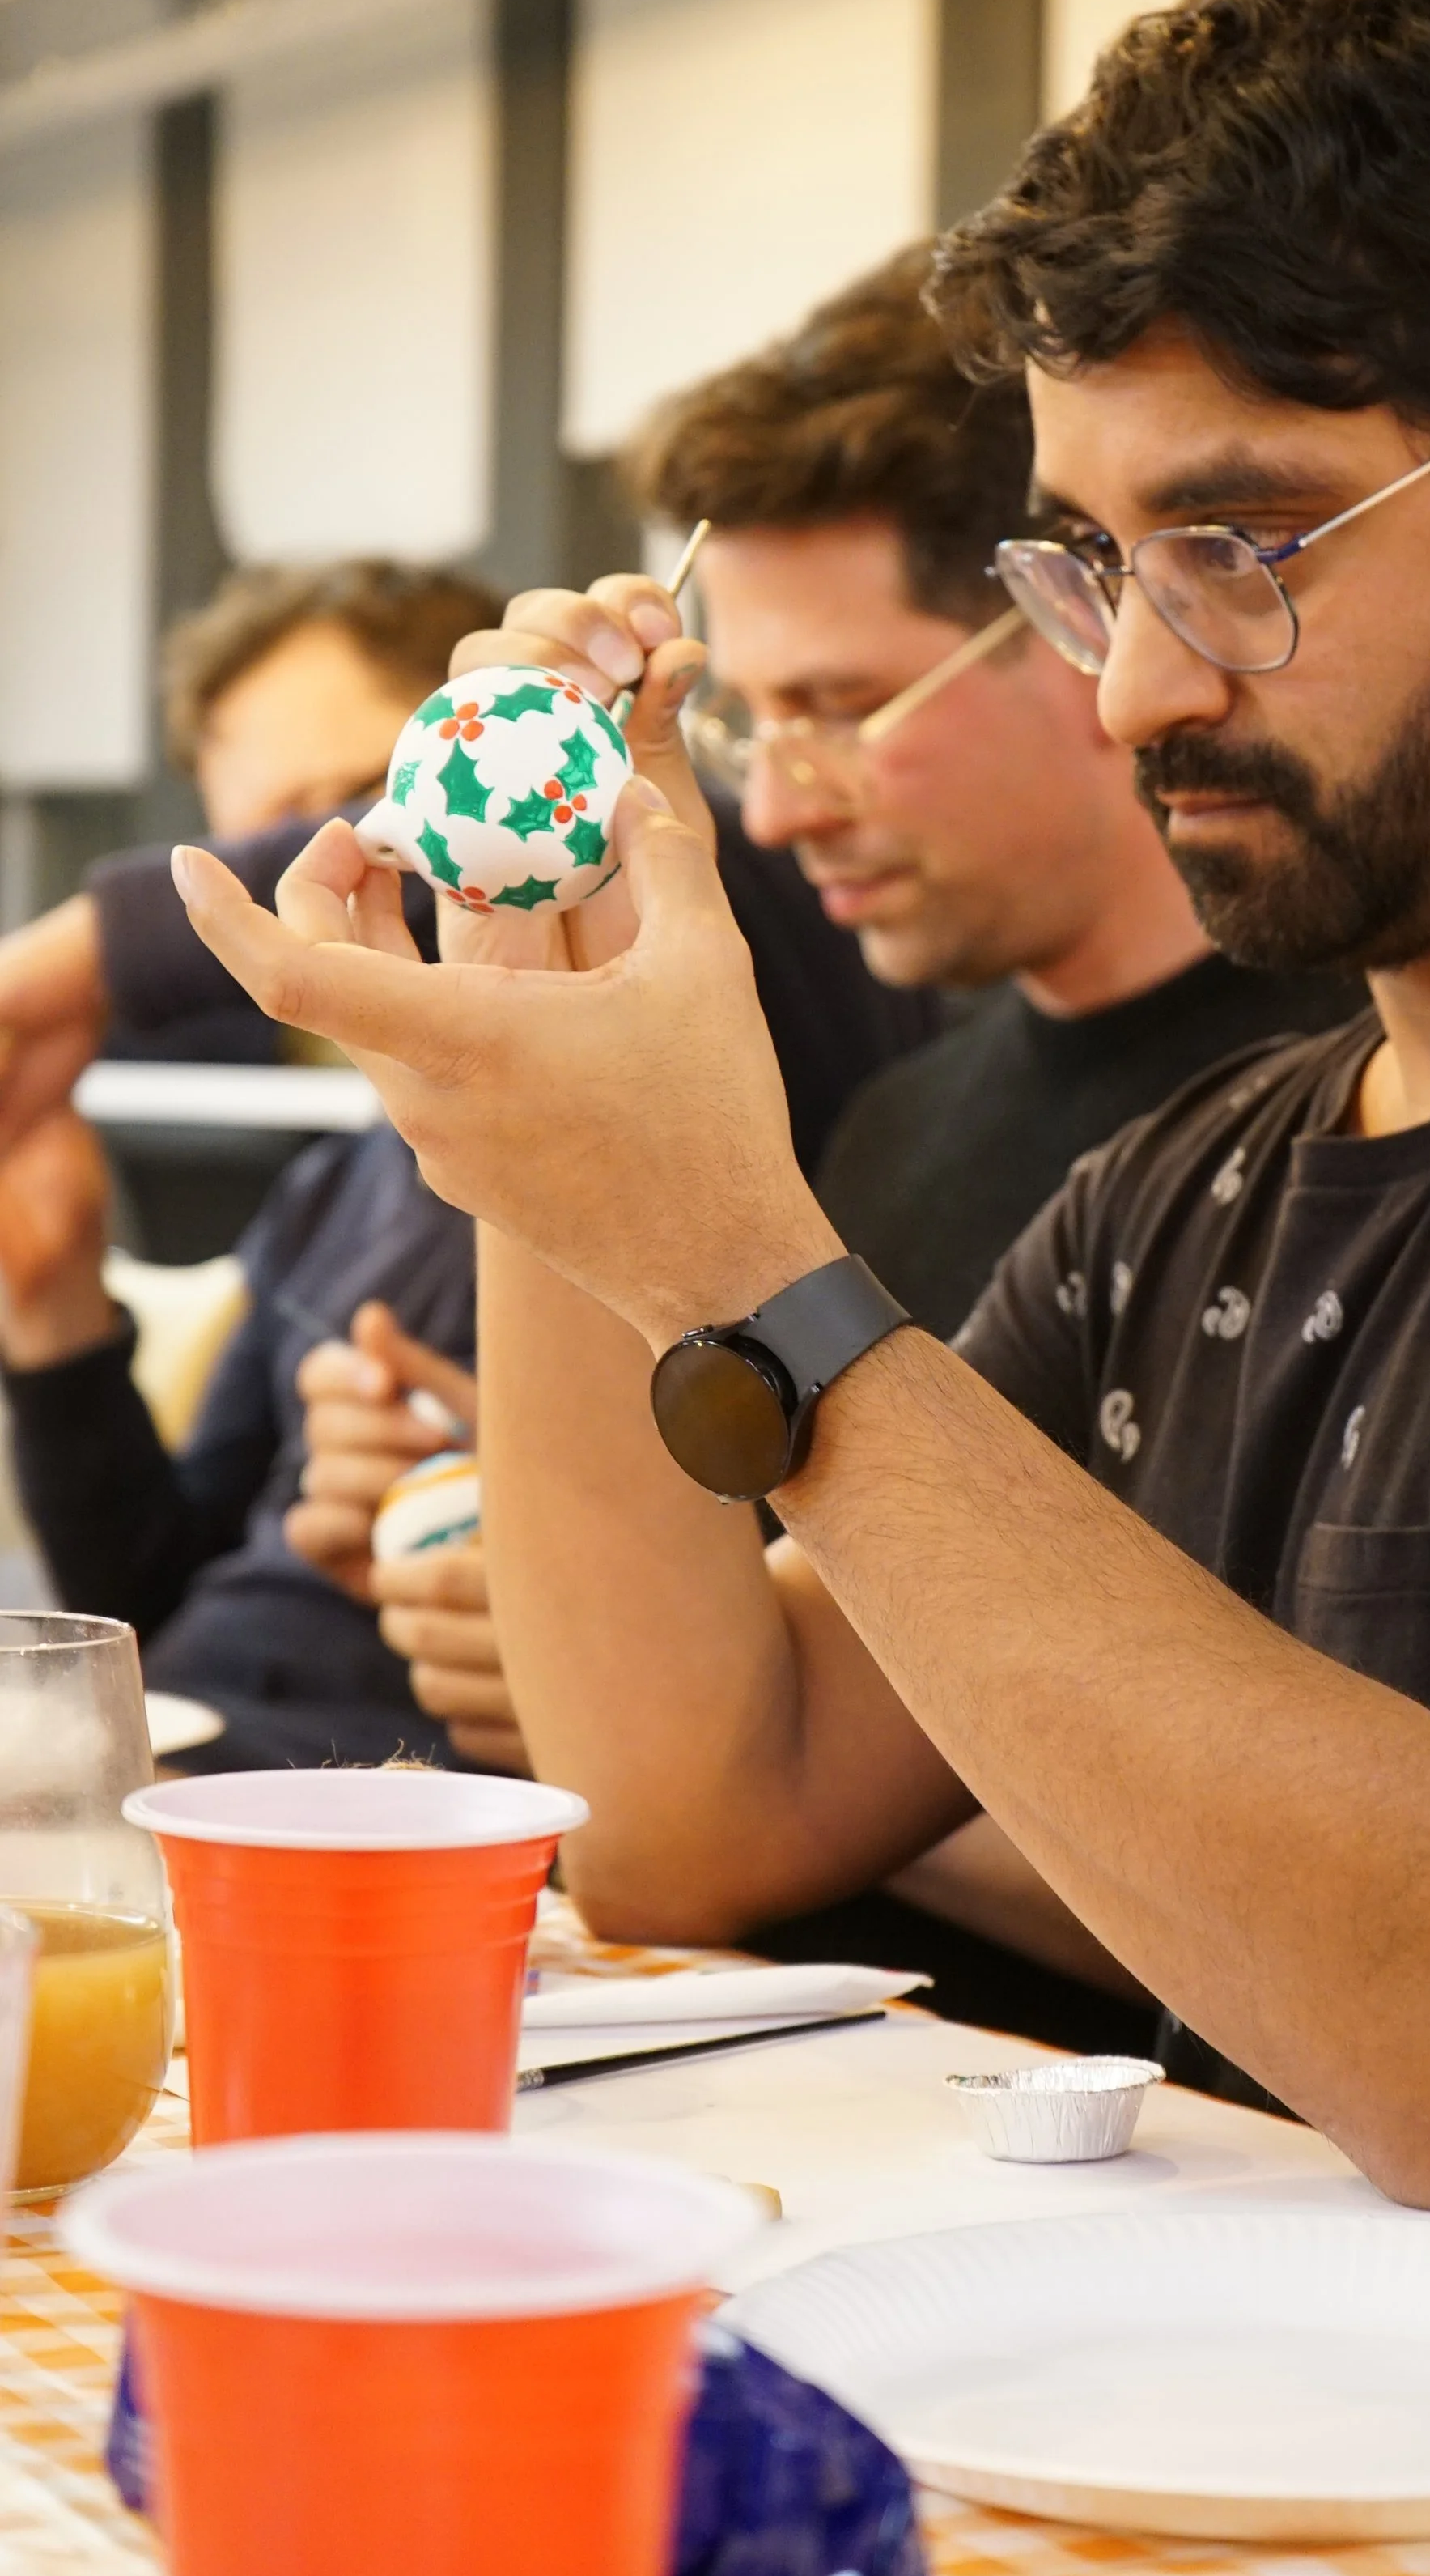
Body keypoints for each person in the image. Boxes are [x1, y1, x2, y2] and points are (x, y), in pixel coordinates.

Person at [175, 0, 1430, 2341]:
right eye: (1091, 563)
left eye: (1239, 548)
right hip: (1326, 2431)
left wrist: (747, 1260)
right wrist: (543, 1082)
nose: (1138, 683)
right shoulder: (1215, 1172)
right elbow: (697, 1807)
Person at [339, 249, 1356, 2041]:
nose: (782, 801)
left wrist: (727, 1705)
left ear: (1070, 622)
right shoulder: (902, 1122)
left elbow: (1341, 1870)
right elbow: (709, 1772)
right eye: (754, 721)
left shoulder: (1332, 1115)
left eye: (838, 708)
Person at [0, 559, 934, 1768]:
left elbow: (699, 842)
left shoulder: (730, 1013)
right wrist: (52, 1306)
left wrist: (84, 954)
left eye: (356, 800)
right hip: (183, 1765)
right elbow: (153, 1609)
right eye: (261, 835)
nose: (329, 864)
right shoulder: (326, 1193)